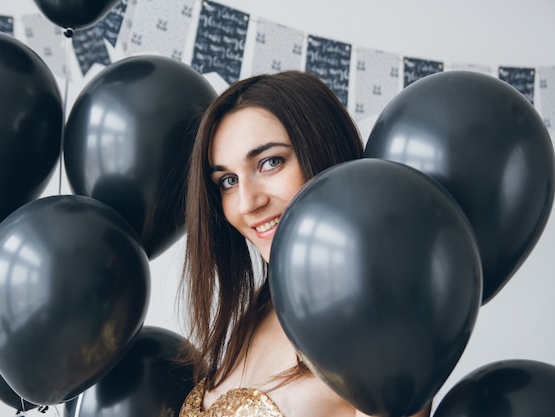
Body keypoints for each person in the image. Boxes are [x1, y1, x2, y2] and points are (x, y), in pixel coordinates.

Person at [178, 70, 431, 417]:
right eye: (228, 181)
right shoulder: (253, 316)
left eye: (270, 162)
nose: (247, 203)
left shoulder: (377, 324)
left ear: (324, 155)